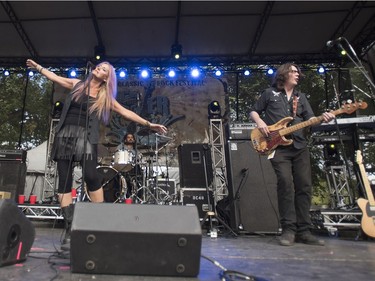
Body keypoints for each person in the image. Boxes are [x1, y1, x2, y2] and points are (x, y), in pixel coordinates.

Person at [26, 59, 167, 250]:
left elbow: (126, 112)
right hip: (65, 135)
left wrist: (149, 125)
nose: (99, 69)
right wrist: (39, 68)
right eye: (99, 67)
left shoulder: (104, 96)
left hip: (85, 137)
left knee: (92, 175)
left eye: (104, 70)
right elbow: (55, 77)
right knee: (64, 182)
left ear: (107, 78)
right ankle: (70, 227)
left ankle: (100, 220)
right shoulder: (76, 84)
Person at [249, 63, 335, 246]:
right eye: (294, 71)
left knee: (304, 186)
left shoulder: (301, 97)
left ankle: (304, 231)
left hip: (299, 146)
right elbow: (254, 111)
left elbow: (311, 121)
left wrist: (323, 118)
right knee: (286, 184)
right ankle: (288, 229)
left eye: (298, 72)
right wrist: (260, 123)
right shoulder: (269, 94)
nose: (298, 74)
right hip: (278, 148)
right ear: (284, 74)